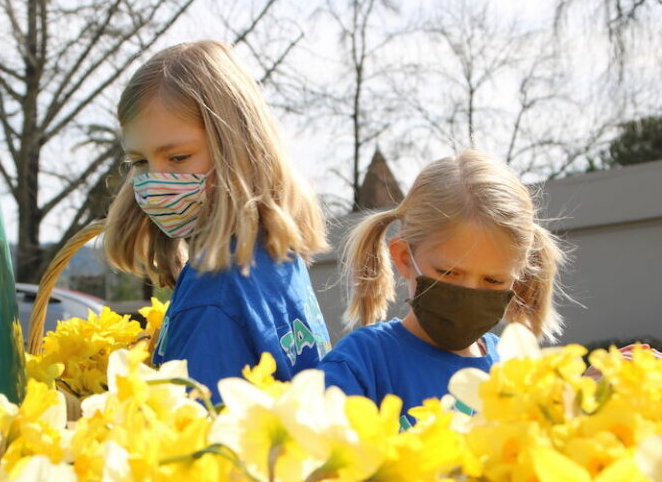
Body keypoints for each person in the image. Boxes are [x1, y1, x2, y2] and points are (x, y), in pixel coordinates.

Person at [103, 40, 331, 402]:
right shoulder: (274, 257)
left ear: (238, 149)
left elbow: (192, 443)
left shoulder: (214, 290)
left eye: (178, 157)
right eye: (140, 163)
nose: (154, 181)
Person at [319, 150, 564, 428]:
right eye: (448, 273)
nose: (469, 294)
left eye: (493, 281)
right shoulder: (364, 362)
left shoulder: (514, 372)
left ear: (517, 277)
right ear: (403, 258)